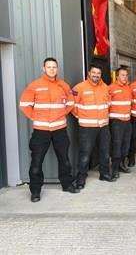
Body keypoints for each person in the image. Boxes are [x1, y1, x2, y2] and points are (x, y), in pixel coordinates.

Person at [19, 57, 79, 202]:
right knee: (37, 161)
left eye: (54, 67)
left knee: (64, 159)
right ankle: (35, 191)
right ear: (43, 68)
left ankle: (67, 184)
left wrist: (61, 113)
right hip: (41, 130)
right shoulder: (35, 85)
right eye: (49, 67)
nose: (52, 69)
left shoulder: (63, 85)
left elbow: (71, 102)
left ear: (57, 69)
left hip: (60, 129)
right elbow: (24, 104)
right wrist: (36, 116)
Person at [73, 63, 115, 189]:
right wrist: (81, 117)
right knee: (85, 153)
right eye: (94, 73)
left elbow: (109, 104)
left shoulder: (106, 88)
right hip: (87, 127)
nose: (96, 75)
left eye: (98, 73)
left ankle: (104, 174)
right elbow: (72, 105)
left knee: (105, 151)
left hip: (103, 126)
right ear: (89, 73)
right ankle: (81, 178)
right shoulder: (79, 88)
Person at [108, 67, 132, 179]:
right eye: (122, 75)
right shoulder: (111, 88)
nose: (125, 77)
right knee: (116, 144)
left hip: (127, 121)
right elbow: (106, 105)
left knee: (125, 144)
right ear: (117, 76)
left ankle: (122, 164)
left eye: (126, 75)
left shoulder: (128, 88)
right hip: (116, 121)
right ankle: (115, 168)